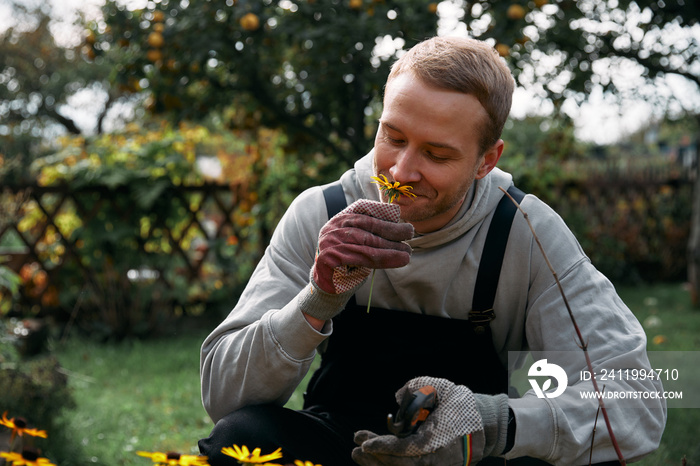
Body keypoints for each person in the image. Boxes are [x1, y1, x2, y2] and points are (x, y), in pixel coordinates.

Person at [199, 36, 666, 465]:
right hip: (343, 446)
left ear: (487, 160)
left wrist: (491, 421)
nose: (401, 171)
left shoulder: (525, 231)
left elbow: (639, 405)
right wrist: (318, 298)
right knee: (242, 440)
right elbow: (223, 398)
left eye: (436, 155)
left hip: (474, 458)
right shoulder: (322, 212)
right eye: (393, 138)